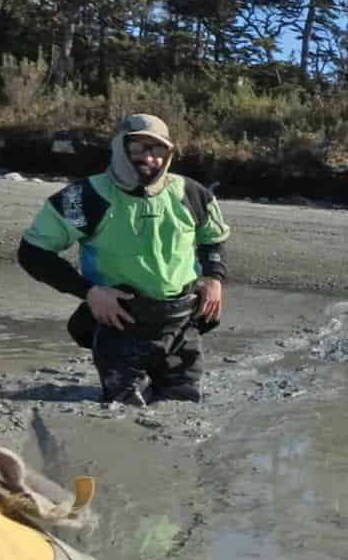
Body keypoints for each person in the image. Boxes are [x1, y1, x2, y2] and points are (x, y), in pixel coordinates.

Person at [18, 112, 230, 405]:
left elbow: (213, 237)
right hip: (120, 324)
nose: (149, 158)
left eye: (158, 149)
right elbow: (32, 252)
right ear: (120, 147)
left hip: (181, 323)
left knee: (183, 407)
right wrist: (89, 292)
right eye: (139, 147)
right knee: (126, 413)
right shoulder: (84, 197)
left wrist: (214, 278)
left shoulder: (192, 193)